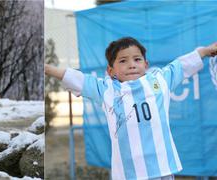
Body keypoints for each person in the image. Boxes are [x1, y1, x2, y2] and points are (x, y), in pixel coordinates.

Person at [45, 37, 217, 180]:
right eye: (123, 60)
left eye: (137, 59)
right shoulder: (106, 89)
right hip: (129, 173)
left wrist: (205, 50)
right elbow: (76, 77)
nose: (132, 64)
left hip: (162, 169)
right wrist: (45, 68)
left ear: (146, 64)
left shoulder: (159, 80)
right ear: (111, 70)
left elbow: (181, 65)